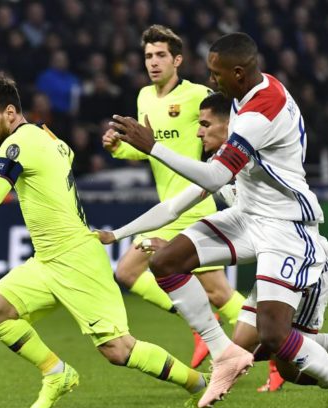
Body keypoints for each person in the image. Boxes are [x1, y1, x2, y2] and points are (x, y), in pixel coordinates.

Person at [109, 32, 328, 408]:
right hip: (249, 216)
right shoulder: (248, 95)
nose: (212, 80)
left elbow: (214, 176)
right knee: (168, 261)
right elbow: (185, 198)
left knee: (276, 340)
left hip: (285, 227)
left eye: (217, 74)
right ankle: (224, 353)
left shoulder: (260, 113)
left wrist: (153, 147)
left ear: (239, 73)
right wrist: (118, 233)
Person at [0, 72, 213, 408]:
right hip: (47, 260)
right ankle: (56, 372)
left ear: (10, 113)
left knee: (118, 350)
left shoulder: (18, 143)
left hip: (77, 259)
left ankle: (200, 385)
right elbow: (68, 153)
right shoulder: (45, 134)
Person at [102, 24, 244, 368]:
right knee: (130, 273)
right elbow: (149, 149)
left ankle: (273, 344)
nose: (153, 62)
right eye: (148, 56)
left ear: (177, 60)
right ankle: (209, 328)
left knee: (216, 292)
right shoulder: (144, 97)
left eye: (161, 55)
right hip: (169, 207)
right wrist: (118, 148)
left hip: (193, 205)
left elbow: (230, 123)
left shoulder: (197, 95)